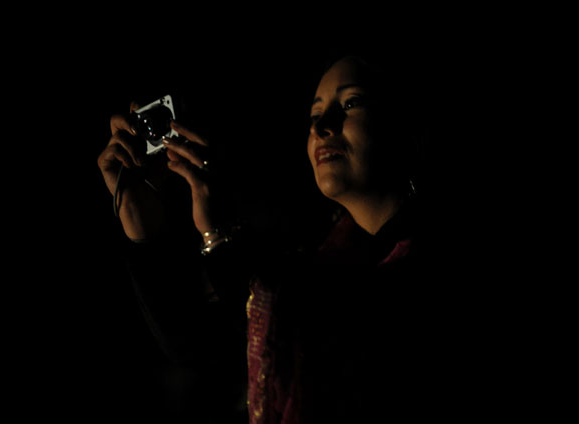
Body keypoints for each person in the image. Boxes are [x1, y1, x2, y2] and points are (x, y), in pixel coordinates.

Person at [98, 54, 458, 423]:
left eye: (351, 103)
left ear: (411, 129)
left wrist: (219, 233)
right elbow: (207, 349)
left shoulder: (427, 269)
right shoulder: (319, 256)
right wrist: (139, 222)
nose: (323, 128)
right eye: (315, 116)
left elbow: (342, 337)